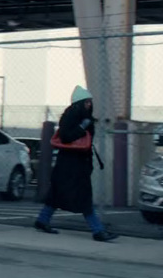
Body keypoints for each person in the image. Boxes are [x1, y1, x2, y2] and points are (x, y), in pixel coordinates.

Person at [34, 86, 117, 241]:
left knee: (57, 194)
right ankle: (97, 231)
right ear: (79, 103)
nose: (89, 105)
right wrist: (82, 127)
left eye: (90, 102)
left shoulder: (80, 116)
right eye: (87, 102)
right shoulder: (71, 117)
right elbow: (66, 137)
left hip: (72, 164)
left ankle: (42, 220)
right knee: (84, 197)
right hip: (73, 164)